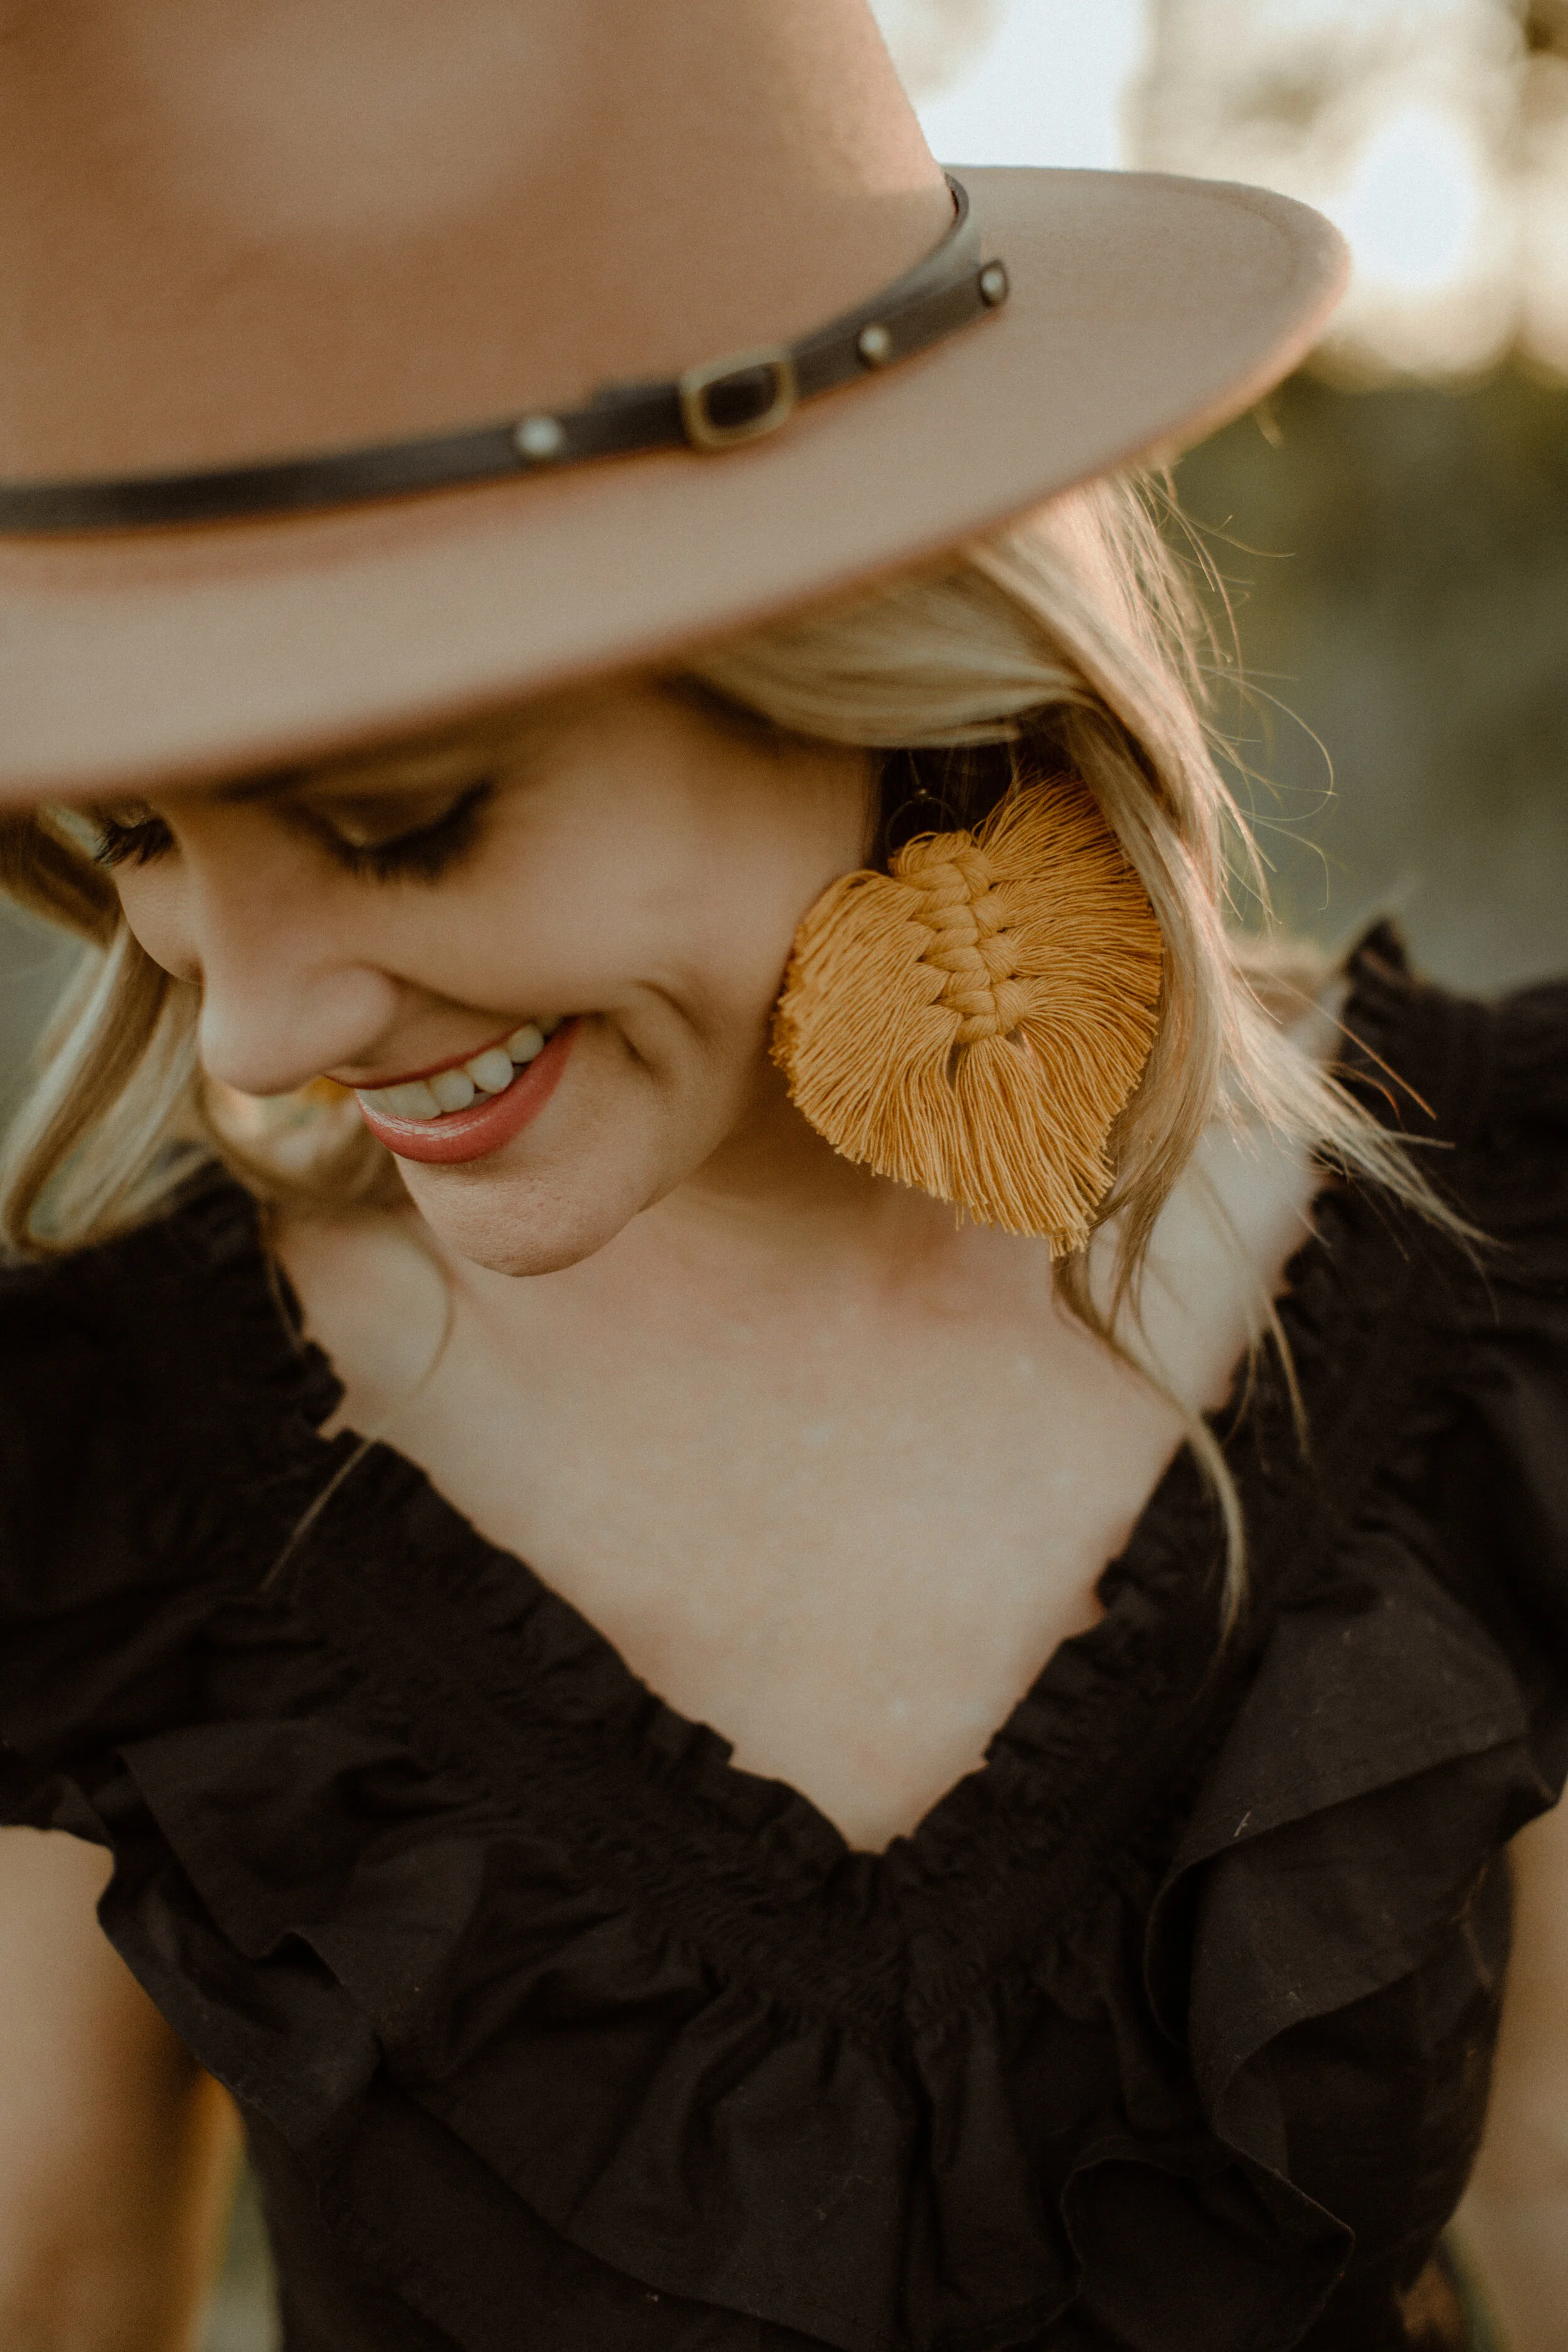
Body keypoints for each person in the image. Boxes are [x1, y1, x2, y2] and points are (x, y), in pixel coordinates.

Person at [0, 4, 1564, 2348]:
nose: (249, 1024)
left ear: (883, 659)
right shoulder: (98, 1476)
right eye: (131, 834)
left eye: (403, 819)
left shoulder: (1500, 1272)